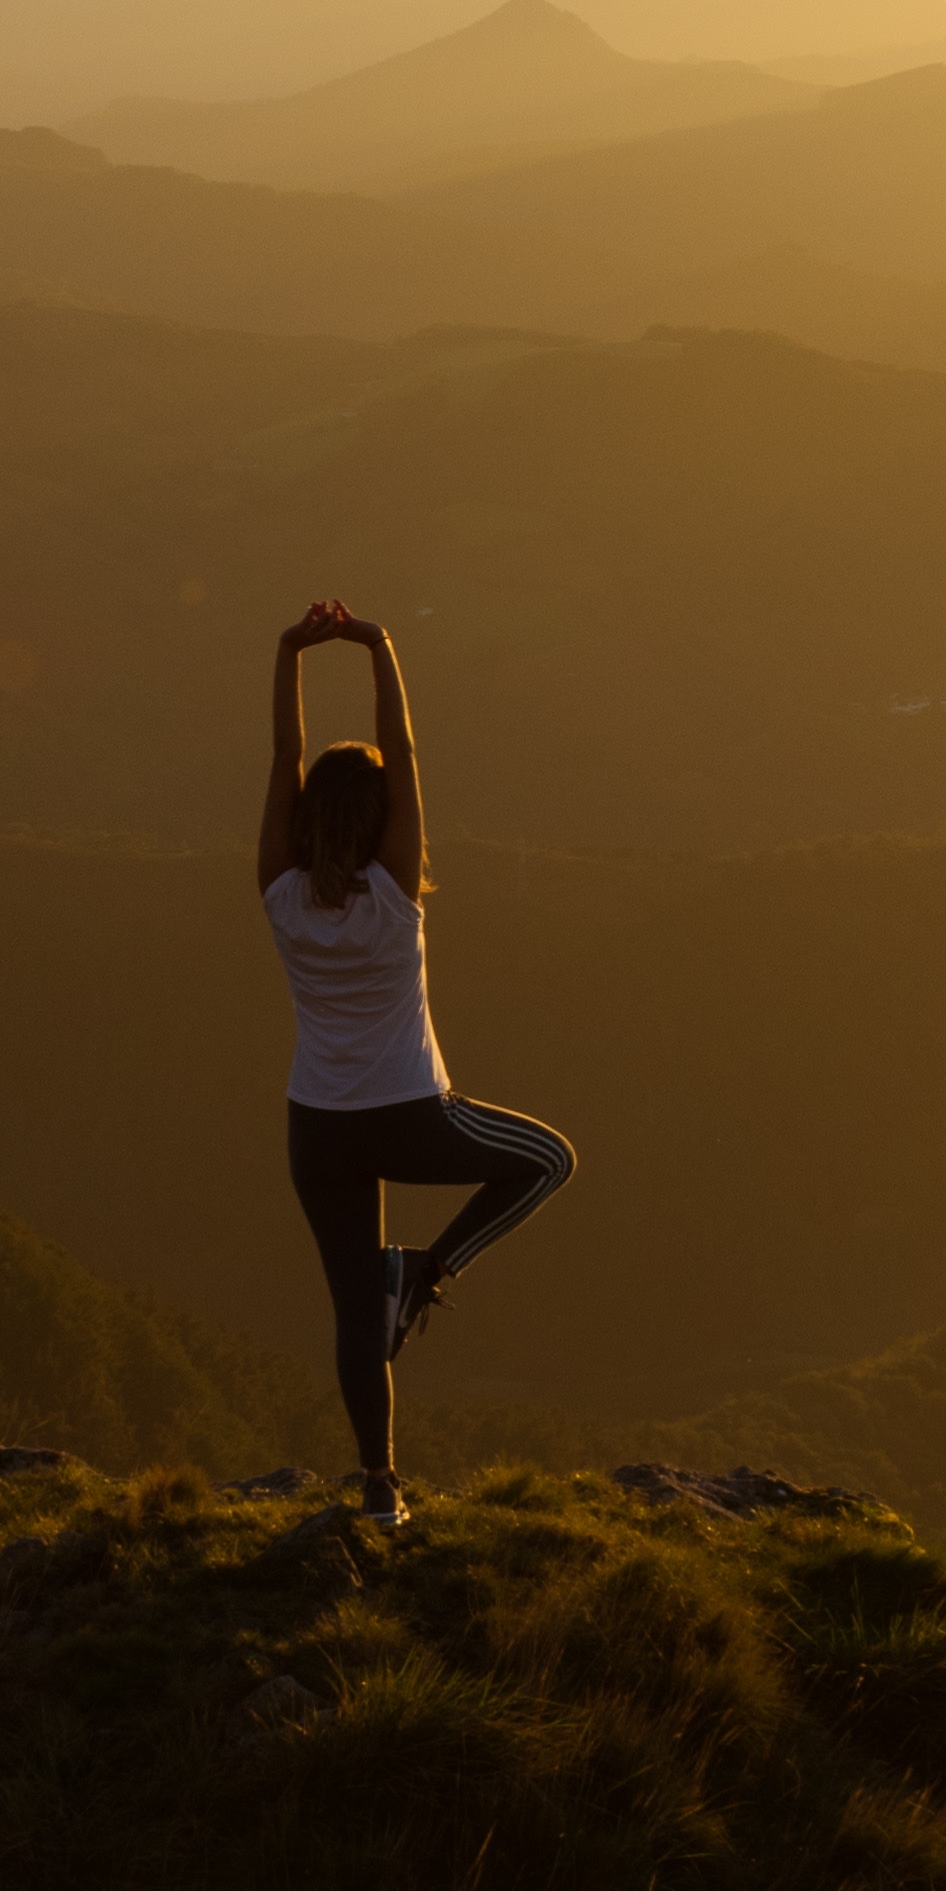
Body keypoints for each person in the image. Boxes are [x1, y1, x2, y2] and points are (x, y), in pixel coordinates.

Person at [257, 602, 574, 1527]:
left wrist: (289, 654)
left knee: (356, 1315)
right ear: (383, 814)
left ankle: (378, 1492)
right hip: (408, 1111)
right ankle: (429, 1272)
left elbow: (284, 760)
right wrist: (376, 644)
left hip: (316, 1129)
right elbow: (408, 750)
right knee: (549, 1161)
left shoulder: (279, 895)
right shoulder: (394, 896)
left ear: (312, 814)